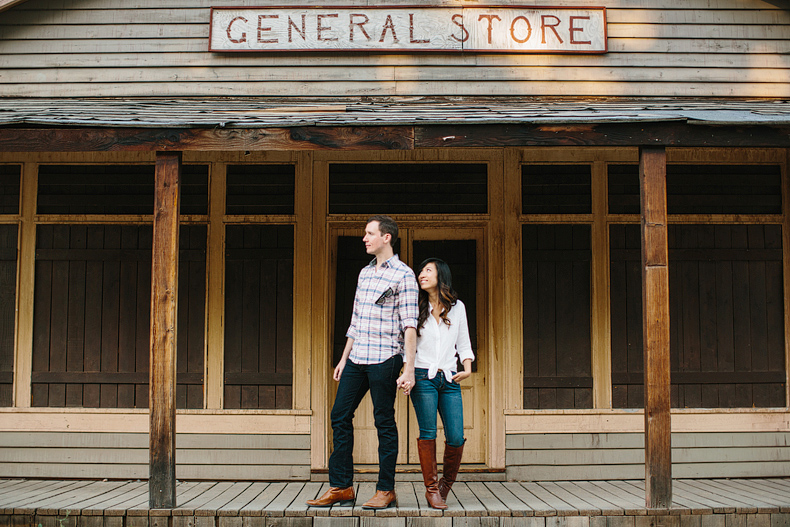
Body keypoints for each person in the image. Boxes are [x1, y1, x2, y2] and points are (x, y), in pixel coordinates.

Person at [307, 215, 418, 510]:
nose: (364, 238)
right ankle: (342, 486)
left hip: (385, 359)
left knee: (383, 422)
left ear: (387, 237)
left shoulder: (403, 275)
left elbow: (409, 325)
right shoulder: (364, 274)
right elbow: (355, 321)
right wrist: (343, 359)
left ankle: (386, 490)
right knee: (339, 415)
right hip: (357, 358)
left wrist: (409, 366)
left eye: (370, 233)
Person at [402, 258, 474, 510]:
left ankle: (445, 485)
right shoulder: (414, 306)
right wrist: (407, 371)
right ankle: (431, 489)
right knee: (428, 433)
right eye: (421, 271)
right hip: (423, 377)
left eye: (427, 270)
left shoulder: (457, 308)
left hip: (450, 377)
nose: (422, 274)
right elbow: (406, 343)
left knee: (455, 436)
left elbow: (463, 342)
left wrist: (467, 366)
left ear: (440, 276)